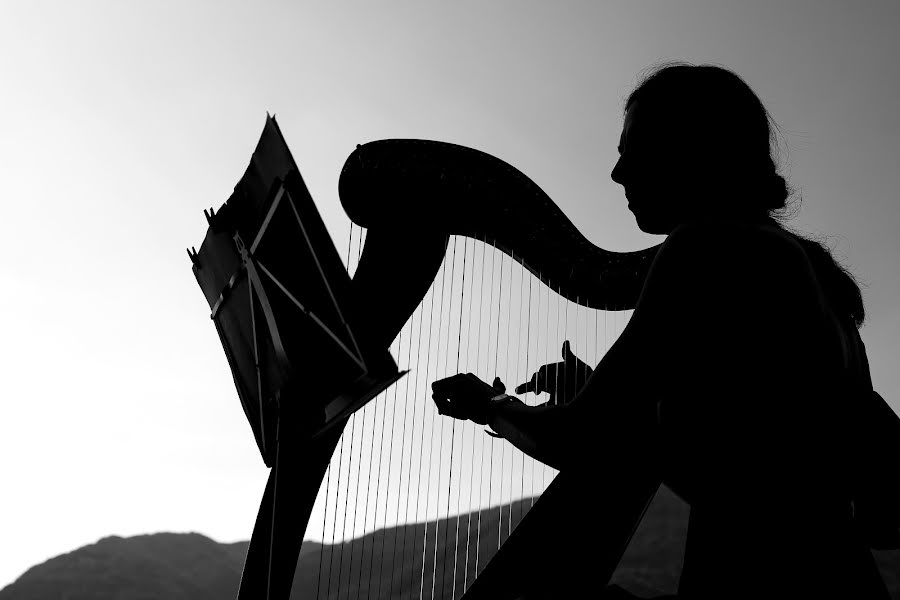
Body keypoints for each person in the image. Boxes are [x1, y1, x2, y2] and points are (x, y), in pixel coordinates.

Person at [431, 63, 893, 598]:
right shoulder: (808, 271)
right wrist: (601, 394)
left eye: (632, 149)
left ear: (689, 148)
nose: (617, 174)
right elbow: (746, 443)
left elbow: (577, 442)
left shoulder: (706, 246)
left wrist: (490, 406)